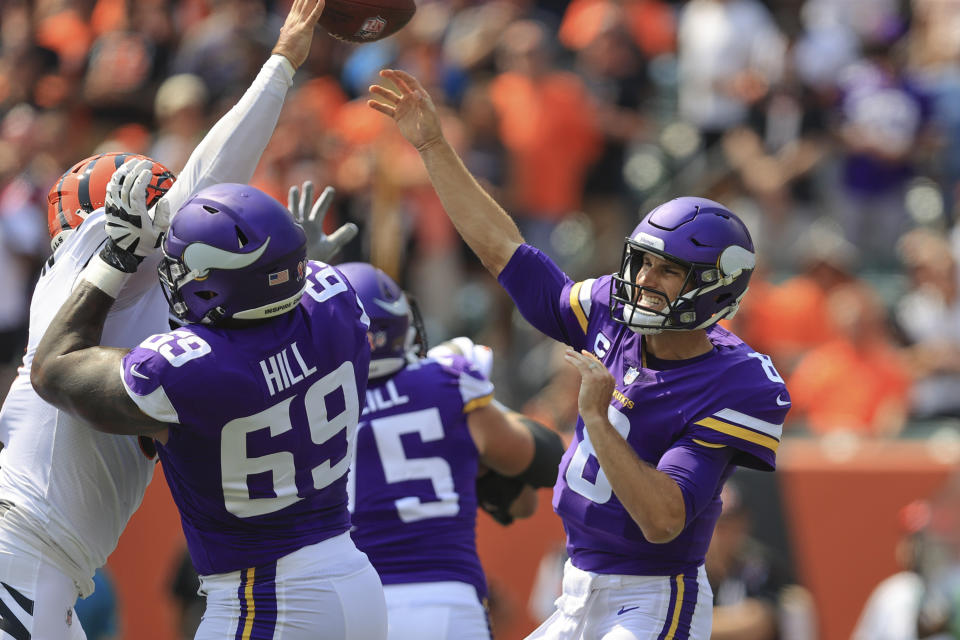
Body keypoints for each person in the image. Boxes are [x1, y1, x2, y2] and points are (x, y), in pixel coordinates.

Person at [368, 68, 790, 639]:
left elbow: (664, 519)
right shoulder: (612, 311)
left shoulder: (734, 381)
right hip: (576, 586)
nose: (644, 279)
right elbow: (504, 253)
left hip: (652, 595)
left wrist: (596, 416)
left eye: (668, 270)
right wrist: (433, 145)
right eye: (643, 261)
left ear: (715, 287)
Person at [0, 1, 341, 636]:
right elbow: (207, 180)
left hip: (51, 565)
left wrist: (288, 279)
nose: (172, 219)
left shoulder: (146, 304)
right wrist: (282, 63)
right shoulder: (90, 264)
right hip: (18, 553)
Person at [31, 174, 385, 638]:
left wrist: (116, 257)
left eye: (181, 269)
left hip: (269, 598)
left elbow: (52, 369)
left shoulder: (191, 370)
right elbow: (281, 319)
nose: (172, 278)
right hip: (356, 578)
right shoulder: (337, 293)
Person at [338, 262, 565, 640]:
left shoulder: (296, 409)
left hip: (352, 609)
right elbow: (543, 461)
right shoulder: (445, 383)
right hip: (443, 602)